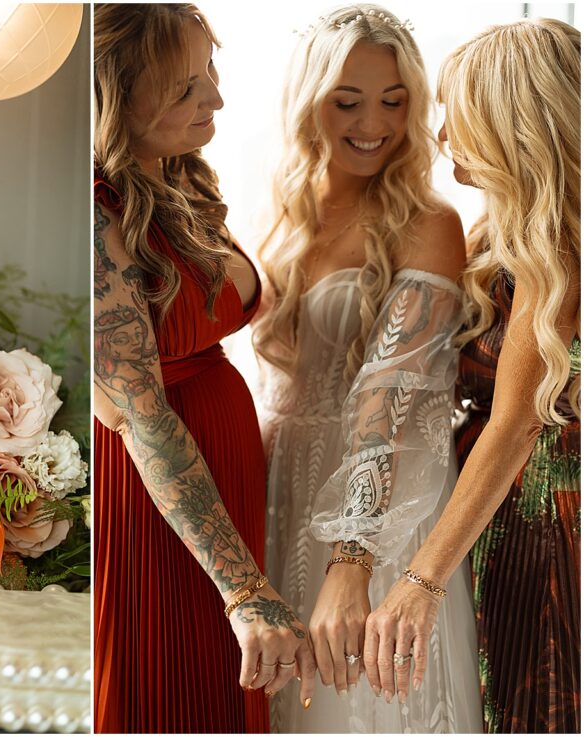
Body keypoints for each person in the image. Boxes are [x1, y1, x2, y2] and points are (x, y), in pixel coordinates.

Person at [253, 5, 482, 732]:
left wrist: (351, 564)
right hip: (280, 490)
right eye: (347, 100)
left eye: (394, 99)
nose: (372, 122)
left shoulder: (428, 221)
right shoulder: (280, 217)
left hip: (382, 513)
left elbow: (390, 399)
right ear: (308, 102)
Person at [92, 4, 315, 732]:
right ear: (112, 96)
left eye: (209, 73)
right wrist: (244, 589)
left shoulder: (179, 176)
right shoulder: (96, 212)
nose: (214, 98)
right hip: (156, 507)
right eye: (185, 86)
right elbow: (141, 414)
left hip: (222, 484)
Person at [365, 18, 581, 733]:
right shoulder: (499, 232)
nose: (443, 132)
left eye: (461, 112)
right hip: (499, 524)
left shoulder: (561, 249)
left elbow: (517, 422)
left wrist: (419, 580)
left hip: (548, 531)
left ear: (511, 121)